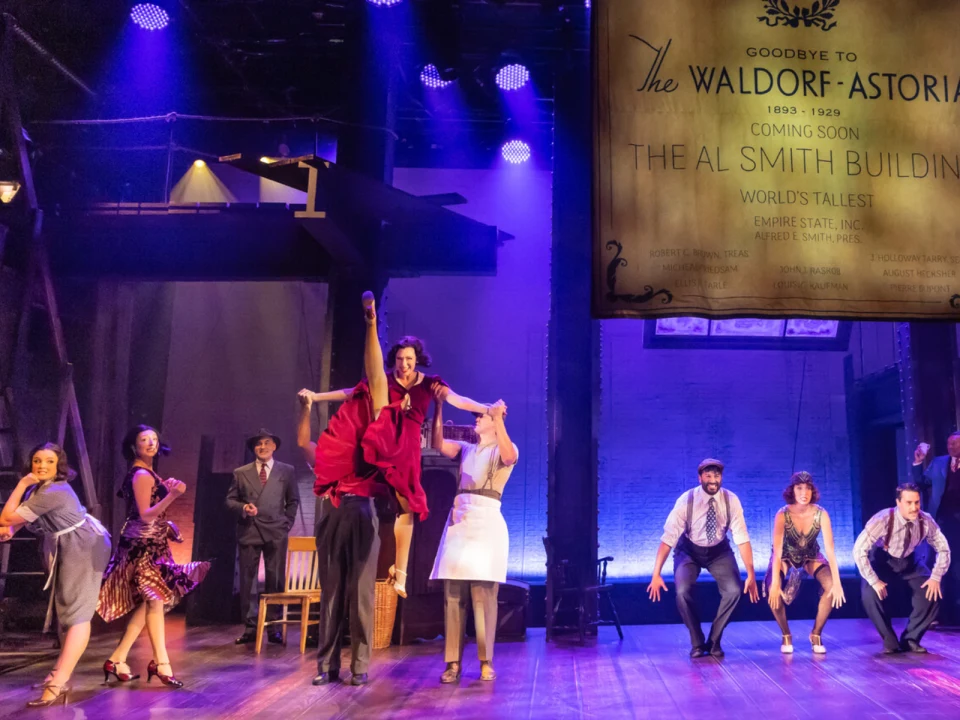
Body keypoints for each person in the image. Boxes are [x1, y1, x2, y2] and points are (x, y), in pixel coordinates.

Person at [298, 293, 500, 600]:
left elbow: (459, 401)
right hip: (381, 433)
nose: (403, 365)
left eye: (409, 360)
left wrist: (488, 408)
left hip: (405, 447)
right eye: (399, 360)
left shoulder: (430, 384)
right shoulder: (390, 377)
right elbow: (349, 392)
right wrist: (316, 397)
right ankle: (371, 322)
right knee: (376, 381)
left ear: (417, 360)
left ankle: (401, 573)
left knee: (406, 507)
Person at [97, 425, 210, 688]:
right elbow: (146, 514)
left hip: (152, 543)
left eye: (154, 439)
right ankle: (161, 664)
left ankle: (116, 659)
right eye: (144, 439)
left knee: (150, 603)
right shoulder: (140, 474)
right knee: (156, 600)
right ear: (133, 446)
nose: (151, 443)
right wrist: (172, 494)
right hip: (141, 545)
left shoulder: (148, 472)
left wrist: (166, 491)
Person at [0, 443, 112, 707]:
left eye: (49, 462)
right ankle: (57, 674)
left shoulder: (55, 490)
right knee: (70, 614)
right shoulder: (43, 489)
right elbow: (18, 520)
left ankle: (58, 682)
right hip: (71, 544)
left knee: (78, 615)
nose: (41, 466)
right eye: (37, 460)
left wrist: (21, 483)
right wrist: (11, 530)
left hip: (83, 547)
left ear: (58, 465)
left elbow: (6, 516)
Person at [430, 394, 517, 683]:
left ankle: (485, 660)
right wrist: (440, 406)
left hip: (487, 522)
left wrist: (499, 419)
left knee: (483, 596)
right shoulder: (467, 449)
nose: (476, 418)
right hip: (460, 521)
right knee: (453, 595)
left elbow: (510, 457)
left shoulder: (504, 447)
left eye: (482, 416)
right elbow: (438, 444)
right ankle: (452, 662)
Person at [646, 458, 759, 658]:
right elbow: (668, 539)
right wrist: (656, 574)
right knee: (682, 591)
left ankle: (714, 641)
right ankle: (697, 643)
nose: (713, 480)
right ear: (700, 478)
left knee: (733, 591)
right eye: (708, 476)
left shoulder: (731, 500)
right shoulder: (686, 501)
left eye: (716, 475)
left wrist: (750, 573)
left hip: (719, 551)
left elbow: (742, 538)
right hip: (688, 550)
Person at [854, 481, 951, 654]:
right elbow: (859, 549)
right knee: (869, 594)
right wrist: (874, 580)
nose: (914, 508)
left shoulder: (925, 520)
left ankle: (910, 638)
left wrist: (936, 577)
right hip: (883, 562)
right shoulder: (883, 519)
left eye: (917, 502)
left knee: (932, 592)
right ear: (898, 502)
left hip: (910, 562)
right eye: (909, 503)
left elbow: (943, 548)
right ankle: (889, 641)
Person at [226, 428, 300, 645]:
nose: (263, 447)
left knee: (275, 579)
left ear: (274, 446)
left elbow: (293, 500)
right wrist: (243, 507)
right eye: (259, 444)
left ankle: (274, 627)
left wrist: (287, 523)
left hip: (276, 531)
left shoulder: (286, 471)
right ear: (254, 448)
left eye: (267, 443)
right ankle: (250, 627)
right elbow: (229, 500)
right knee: (248, 581)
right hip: (249, 529)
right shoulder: (241, 472)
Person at [763, 471, 845, 654]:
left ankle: (816, 633)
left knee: (831, 587)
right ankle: (786, 635)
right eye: (799, 488)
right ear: (792, 490)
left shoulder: (821, 513)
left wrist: (838, 583)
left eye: (808, 488)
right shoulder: (782, 514)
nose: (804, 492)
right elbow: (777, 551)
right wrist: (776, 583)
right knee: (772, 591)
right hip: (784, 556)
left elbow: (830, 549)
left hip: (810, 555)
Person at [913, 433, 960, 624]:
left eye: (955, 443)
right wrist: (918, 463)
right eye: (949, 443)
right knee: (939, 565)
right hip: (942, 522)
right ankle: (938, 614)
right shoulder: (939, 463)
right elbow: (921, 484)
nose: (951, 446)